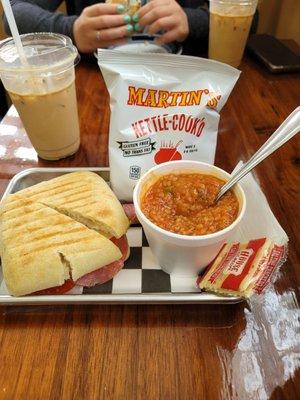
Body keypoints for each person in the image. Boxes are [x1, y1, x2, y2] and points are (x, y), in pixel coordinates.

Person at [3, 1, 209, 56]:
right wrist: (71, 29)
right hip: (96, 82)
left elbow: (236, 14)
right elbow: (13, 13)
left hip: (189, 83)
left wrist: (192, 21)